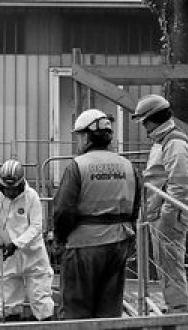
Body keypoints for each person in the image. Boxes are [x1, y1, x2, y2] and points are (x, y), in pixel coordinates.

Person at [53, 108, 140, 319]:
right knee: (109, 309)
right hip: (118, 244)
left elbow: (64, 210)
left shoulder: (77, 166)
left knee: (76, 310)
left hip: (83, 247)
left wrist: (59, 239)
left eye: (79, 136)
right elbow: (135, 208)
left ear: (86, 137)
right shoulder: (128, 167)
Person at [0, 159, 54, 321]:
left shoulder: (31, 196)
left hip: (33, 257)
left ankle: (45, 323)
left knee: (41, 299)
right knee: (9, 304)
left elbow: (36, 226)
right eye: (6, 189)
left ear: (21, 184)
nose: (10, 193)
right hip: (7, 257)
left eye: (13, 189)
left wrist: (17, 244)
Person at [132, 94, 188, 313]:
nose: (144, 126)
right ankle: (174, 305)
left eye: (144, 121)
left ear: (153, 119)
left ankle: (180, 309)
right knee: (165, 263)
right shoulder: (165, 141)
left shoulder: (175, 143)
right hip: (161, 213)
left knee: (170, 263)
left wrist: (166, 215)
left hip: (169, 216)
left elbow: (180, 185)